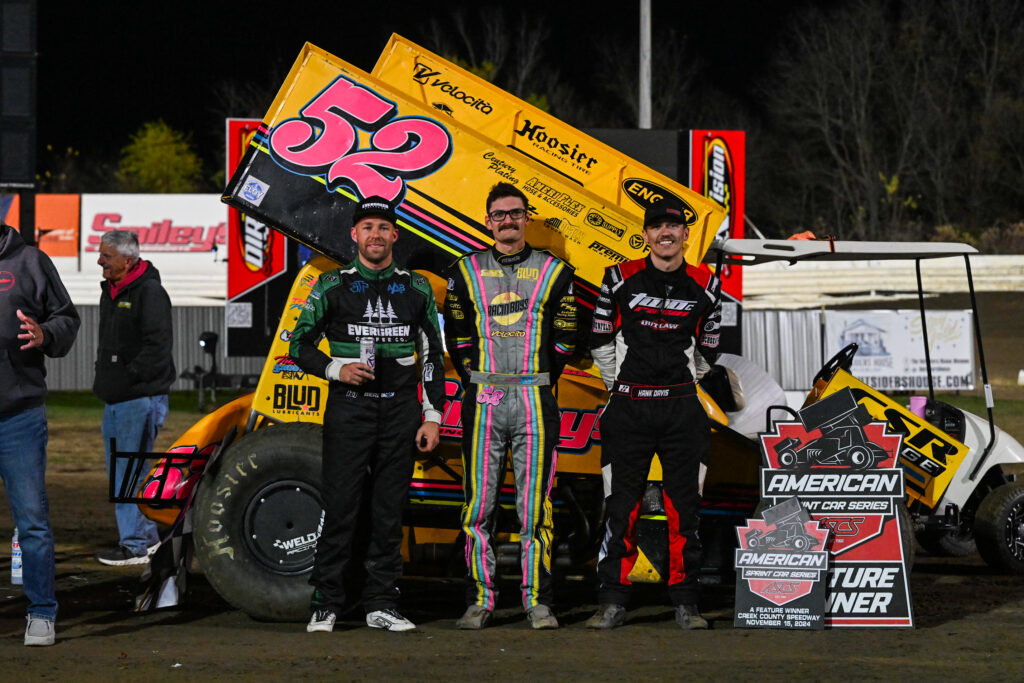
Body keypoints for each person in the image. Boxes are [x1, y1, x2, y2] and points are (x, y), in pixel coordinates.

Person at [291, 196, 444, 634]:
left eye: (383, 227)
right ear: (354, 235)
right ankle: (327, 603)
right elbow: (298, 345)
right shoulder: (332, 284)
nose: (375, 234)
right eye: (367, 227)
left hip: (401, 414)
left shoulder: (416, 288)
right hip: (349, 412)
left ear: (395, 236)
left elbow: (432, 355)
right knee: (340, 508)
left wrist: (432, 416)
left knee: (388, 511)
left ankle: (382, 603)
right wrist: (336, 368)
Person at [443, 182, 577, 630]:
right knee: (478, 507)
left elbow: (567, 337)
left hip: (535, 397)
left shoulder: (555, 271)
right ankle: (479, 601)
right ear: (488, 220)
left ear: (526, 218)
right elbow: (458, 335)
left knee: (535, 509)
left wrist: (539, 378)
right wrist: (475, 377)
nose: (507, 221)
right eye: (499, 214)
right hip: (483, 398)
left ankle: (537, 602)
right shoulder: (463, 270)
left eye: (515, 213)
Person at [585, 196, 722, 630]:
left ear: (685, 234)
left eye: (674, 226)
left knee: (686, 509)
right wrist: (618, 385)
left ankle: (686, 603)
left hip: (682, 408)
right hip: (628, 407)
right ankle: (611, 600)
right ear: (644, 234)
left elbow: (710, 351)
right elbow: (600, 339)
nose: (666, 233)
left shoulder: (706, 283)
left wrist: (684, 383)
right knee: (620, 507)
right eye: (657, 226)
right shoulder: (618, 277)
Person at [0, 222, 81, 646]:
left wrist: (46, 333)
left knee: (32, 521)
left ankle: (41, 613)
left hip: (18, 417)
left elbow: (67, 319)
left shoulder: (31, 261)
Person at [93, 230, 176, 566]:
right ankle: (149, 540)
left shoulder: (150, 293)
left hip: (138, 398)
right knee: (127, 471)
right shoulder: (111, 291)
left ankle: (134, 545)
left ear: (128, 261)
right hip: (118, 398)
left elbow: (158, 348)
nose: (100, 261)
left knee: (129, 471)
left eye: (106, 256)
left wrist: (127, 378)